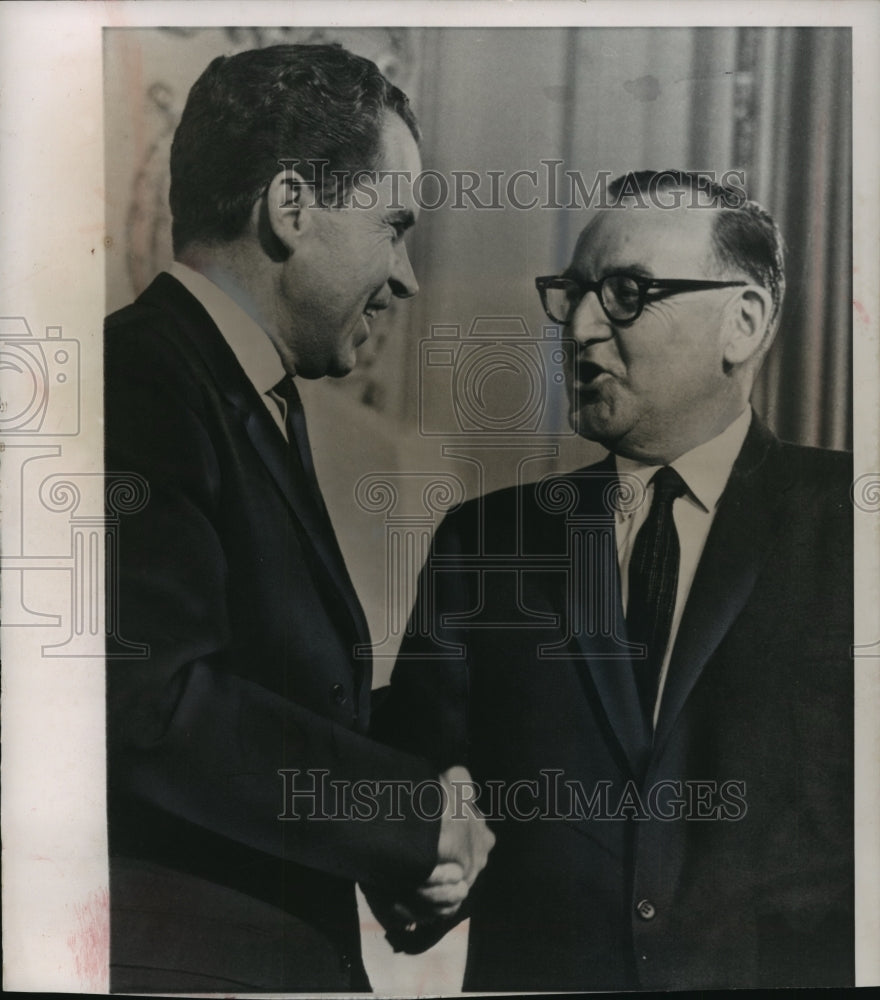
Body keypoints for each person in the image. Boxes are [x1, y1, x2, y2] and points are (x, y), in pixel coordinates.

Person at [372, 170, 853, 990]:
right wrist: (418, 856)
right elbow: (420, 806)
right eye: (575, 292)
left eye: (627, 292)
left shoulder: (855, 524)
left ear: (743, 322)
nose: (583, 327)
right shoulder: (487, 542)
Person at [104, 43, 493, 993]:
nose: (404, 276)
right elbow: (151, 703)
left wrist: (406, 847)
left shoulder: (233, 389)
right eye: (393, 226)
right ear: (291, 208)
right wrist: (408, 816)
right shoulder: (142, 380)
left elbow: (271, 702)